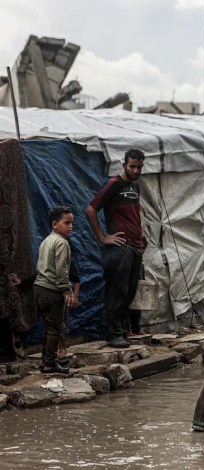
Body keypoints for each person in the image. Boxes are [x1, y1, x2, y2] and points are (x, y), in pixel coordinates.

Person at [86, 149, 146, 349]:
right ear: (124, 165)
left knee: (129, 293)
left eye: (139, 167)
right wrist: (103, 237)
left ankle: (123, 330)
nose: (136, 170)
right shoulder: (113, 185)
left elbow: (132, 216)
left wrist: (140, 236)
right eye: (132, 166)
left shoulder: (134, 186)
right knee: (117, 292)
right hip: (120, 249)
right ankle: (113, 334)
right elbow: (91, 209)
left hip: (135, 247)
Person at [32, 206, 77, 373]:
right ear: (55, 224)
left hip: (40, 288)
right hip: (52, 290)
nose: (70, 226)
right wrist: (68, 291)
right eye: (66, 223)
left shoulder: (47, 240)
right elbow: (61, 270)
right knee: (55, 329)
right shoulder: (61, 243)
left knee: (49, 327)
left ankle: (46, 360)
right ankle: (49, 364)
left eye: (72, 223)